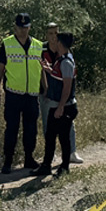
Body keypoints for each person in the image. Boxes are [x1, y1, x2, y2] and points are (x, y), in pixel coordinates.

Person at [0, 13, 45, 174]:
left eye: (26, 27)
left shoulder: (37, 44)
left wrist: (46, 87)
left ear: (30, 27)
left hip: (32, 94)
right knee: (12, 128)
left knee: (31, 129)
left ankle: (29, 158)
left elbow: (41, 68)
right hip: (13, 94)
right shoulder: (7, 44)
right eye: (20, 28)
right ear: (15, 27)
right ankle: (8, 161)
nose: (23, 31)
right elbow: (0, 68)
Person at [33, 33, 78, 177]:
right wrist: (49, 70)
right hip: (58, 105)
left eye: (56, 41)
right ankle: (46, 165)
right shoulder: (62, 60)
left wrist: (60, 107)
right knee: (51, 136)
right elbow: (59, 77)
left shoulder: (66, 62)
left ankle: (64, 168)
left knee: (63, 137)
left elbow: (67, 87)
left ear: (60, 43)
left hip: (63, 107)